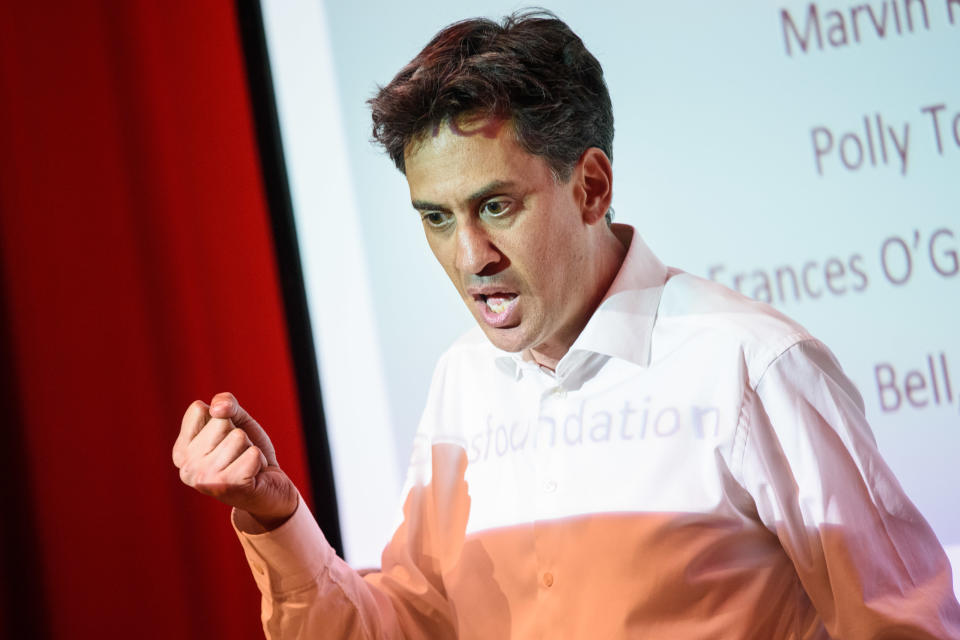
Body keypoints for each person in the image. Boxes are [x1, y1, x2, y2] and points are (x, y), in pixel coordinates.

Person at [172, 10, 960, 639]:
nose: (469, 255)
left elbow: (903, 627)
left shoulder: (752, 367)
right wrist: (274, 511)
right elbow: (407, 626)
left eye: (495, 206)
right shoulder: (463, 383)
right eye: (437, 218)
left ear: (590, 186)